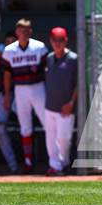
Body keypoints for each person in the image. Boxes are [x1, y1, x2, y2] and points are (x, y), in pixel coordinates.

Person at [2, 19, 48, 173]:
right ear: (16, 33)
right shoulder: (9, 50)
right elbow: (7, 75)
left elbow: (47, 71)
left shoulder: (39, 47)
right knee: (25, 127)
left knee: (48, 124)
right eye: (20, 31)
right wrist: (8, 95)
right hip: (20, 90)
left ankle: (55, 161)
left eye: (26, 30)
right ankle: (28, 162)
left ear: (31, 32)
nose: (23, 33)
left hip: (38, 87)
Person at [44, 27, 77, 176]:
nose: (57, 43)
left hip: (66, 107)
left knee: (64, 139)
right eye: (54, 40)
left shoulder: (73, 59)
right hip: (50, 106)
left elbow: (78, 84)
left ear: (66, 41)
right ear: (50, 41)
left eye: (60, 40)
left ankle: (63, 164)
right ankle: (55, 166)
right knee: (50, 139)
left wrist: (71, 103)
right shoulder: (49, 58)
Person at [0, 32, 19, 173]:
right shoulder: (2, 51)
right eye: (8, 42)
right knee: (0, 130)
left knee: (1, 130)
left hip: (15, 96)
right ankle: (13, 166)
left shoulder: (20, 53)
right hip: (2, 97)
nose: (10, 45)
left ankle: (16, 165)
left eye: (13, 42)